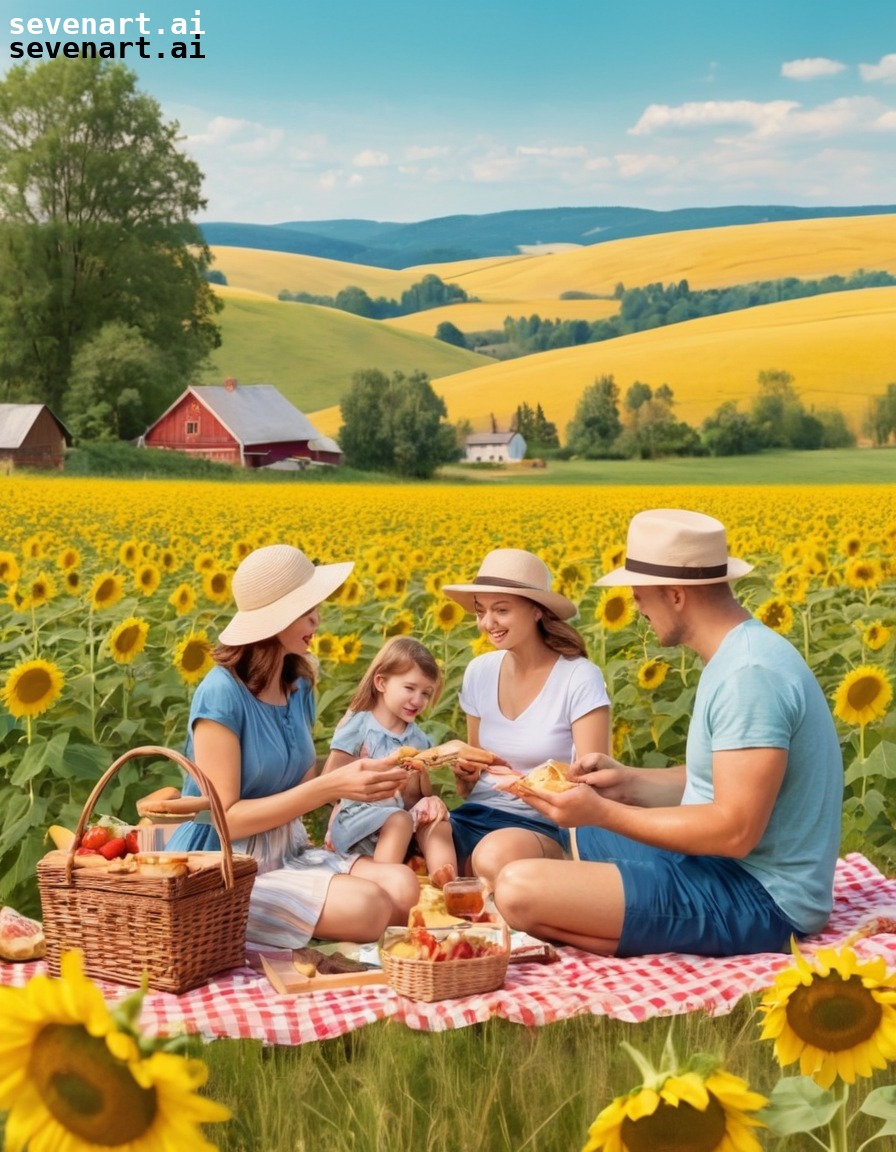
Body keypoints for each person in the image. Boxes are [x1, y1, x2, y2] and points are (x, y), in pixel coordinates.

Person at [493, 509, 843, 957]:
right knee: (534, 850)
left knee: (520, 890)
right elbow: (714, 780)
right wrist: (628, 782)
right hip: (719, 866)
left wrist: (602, 812)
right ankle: (618, 922)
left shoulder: (749, 675)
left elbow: (735, 829)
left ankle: (621, 934)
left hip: (762, 896)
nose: (637, 609)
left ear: (676, 595)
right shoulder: (736, 655)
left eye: (640, 596)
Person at [167, 544, 419, 948]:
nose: (317, 619)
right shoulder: (220, 693)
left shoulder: (298, 683)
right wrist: (331, 787)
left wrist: (366, 774)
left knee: (405, 887)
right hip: (224, 863)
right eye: (306, 611)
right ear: (275, 618)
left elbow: (300, 784)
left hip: (288, 848)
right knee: (368, 907)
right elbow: (225, 819)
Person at [440, 548, 610, 882]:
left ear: (536, 611)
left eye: (501, 610)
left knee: (491, 857)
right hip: (477, 814)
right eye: (481, 611)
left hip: (543, 823)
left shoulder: (579, 677)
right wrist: (464, 771)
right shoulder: (479, 671)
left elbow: (596, 783)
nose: (488, 623)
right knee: (404, 834)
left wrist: (523, 786)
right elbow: (475, 777)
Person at [322, 636, 458, 887]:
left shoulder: (419, 739)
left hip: (397, 819)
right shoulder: (359, 724)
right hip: (355, 820)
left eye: (426, 693)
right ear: (381, 682)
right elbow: (330, 783)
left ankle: (448, 890)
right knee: (399, 820)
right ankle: (384, 890)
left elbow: (412, 800)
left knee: (438, 823)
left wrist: (426, 796)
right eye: (409, 688)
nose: (418, 700)